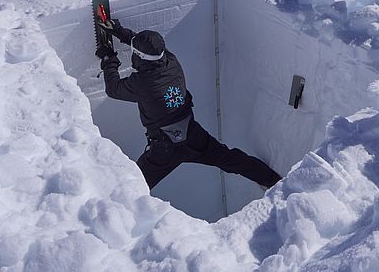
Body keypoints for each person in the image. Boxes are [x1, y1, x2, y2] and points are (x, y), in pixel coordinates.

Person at [95, 18, 281, 190]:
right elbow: (148, 48)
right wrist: (119, 31)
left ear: (139, 57)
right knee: (230, 159)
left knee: (132, 187)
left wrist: (108, 60)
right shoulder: (170, 61)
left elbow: (113, 89)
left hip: (163, 150)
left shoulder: (142, 83)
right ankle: (275, 182)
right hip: (192, 136)